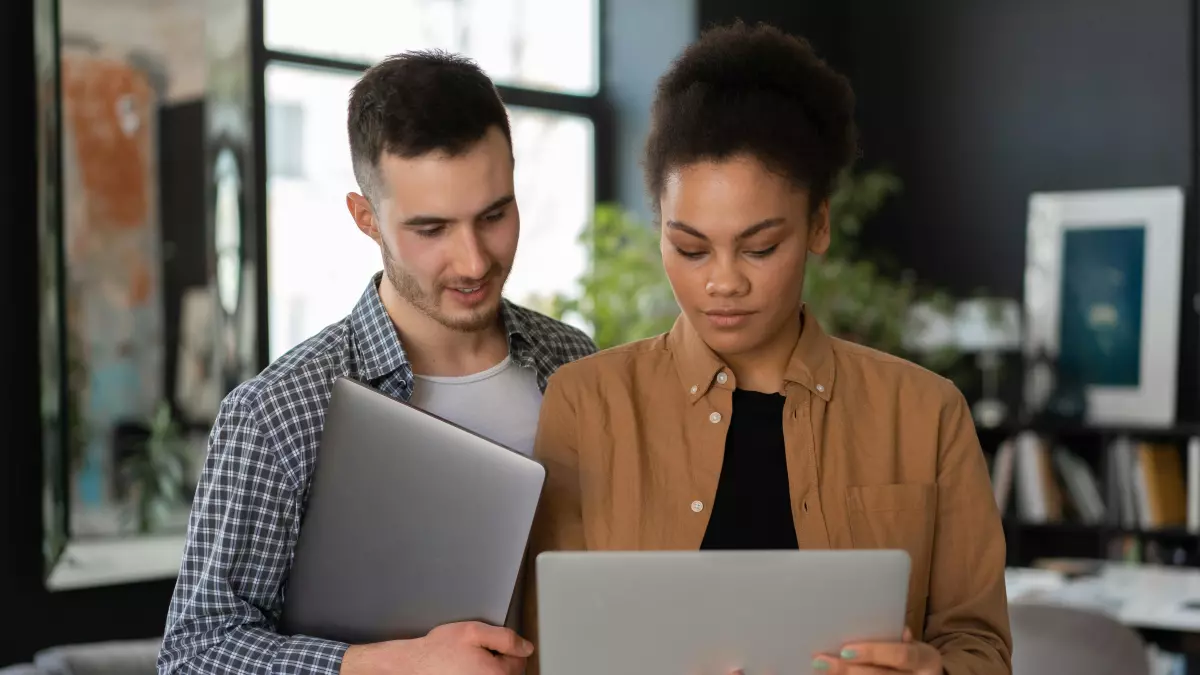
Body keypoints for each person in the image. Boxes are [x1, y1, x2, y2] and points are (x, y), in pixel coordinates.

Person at [524, 21, 1012, 675]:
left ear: (818, 225)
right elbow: (543, 650)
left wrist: (932, 670)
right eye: (690, 247)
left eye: (760, 247)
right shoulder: (587, 404)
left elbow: (982, 647)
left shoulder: (926, 412)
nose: (723, 281)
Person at [158, 50, 596, 675]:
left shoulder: (576, 363)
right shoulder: (279, 413)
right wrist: (393, 664)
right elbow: (194, 656)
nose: (472, 261)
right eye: (431, 229)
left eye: (494, 216)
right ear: (367, 219)